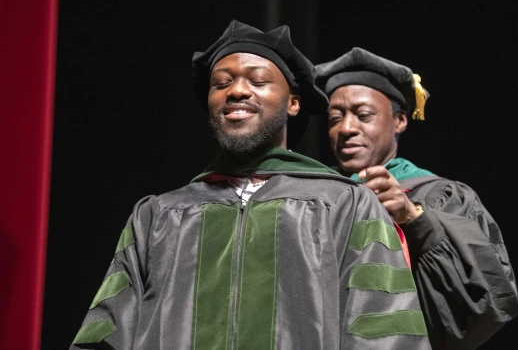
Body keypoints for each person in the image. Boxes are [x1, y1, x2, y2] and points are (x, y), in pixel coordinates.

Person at [70, 22, 432, 349]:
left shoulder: (345, 205)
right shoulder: (158, 215)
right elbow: (106, 335)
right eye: (221, 83)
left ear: (293, 103)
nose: (237, 91)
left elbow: (386, 335)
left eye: (257, 81)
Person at [315, 47, 518, 350]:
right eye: (335, 117)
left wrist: (413, 219)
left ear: (399, 121)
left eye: (363, 115)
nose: (346, 128)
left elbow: (485, 299)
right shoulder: (314, 192)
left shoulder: (440, 195)